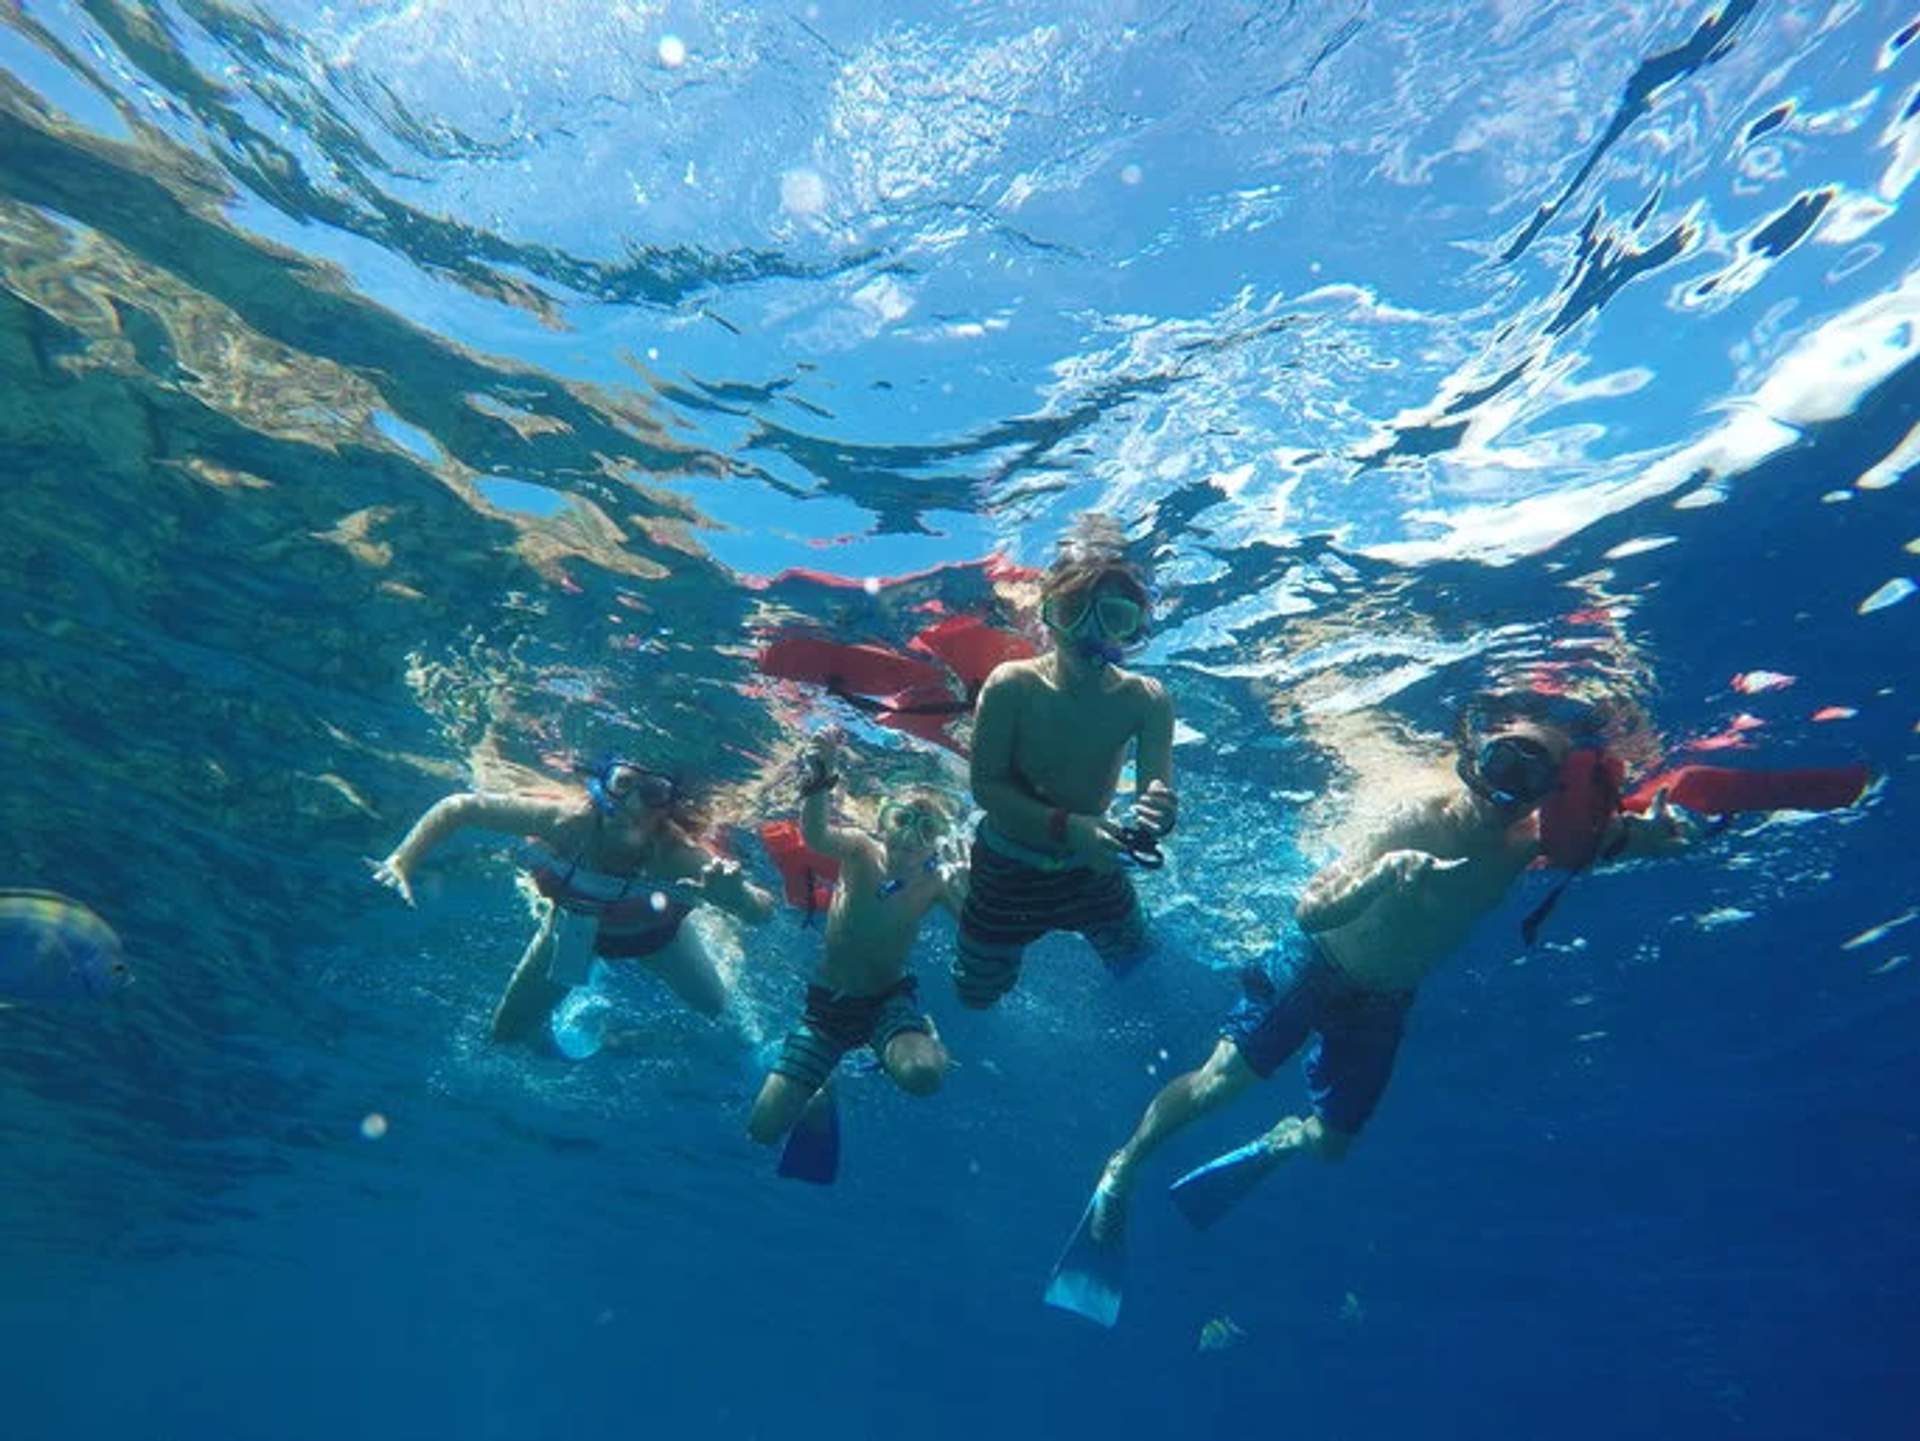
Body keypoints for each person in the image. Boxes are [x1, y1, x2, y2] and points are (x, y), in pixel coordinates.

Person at [1044, 698, 1701, 1325]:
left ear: (1552, 795)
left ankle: (1280, 1140)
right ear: (1474, 757)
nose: (1512, 787)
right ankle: (1124, 1165)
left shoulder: (1530, 843)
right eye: (1506, 761)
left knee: (1331, 1146)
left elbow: (1615, 840)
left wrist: (1660, 837)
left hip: (1384, 1002)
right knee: (1220, 1080)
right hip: (1314, 964)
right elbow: (1310, 908)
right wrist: (1384, 876)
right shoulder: (1414, 816)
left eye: (1536, 777)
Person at [371, 757, 774, 1050]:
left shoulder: (676, 855)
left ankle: (717, 951)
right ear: (604, 786)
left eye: (651, 795)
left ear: (667, 809)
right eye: (624, 783)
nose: (633, 805)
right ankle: (577, 995)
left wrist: (735, 896)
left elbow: (761, 913)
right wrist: (402, 860)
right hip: (573, 931)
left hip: (658, 939)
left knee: (714, 1006)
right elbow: (461, 807)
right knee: (506, 1034)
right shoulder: (564, 822)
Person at [953, 522, 1179, 1010]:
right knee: (976, 993)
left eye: (1112, 618)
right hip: (1008, 865)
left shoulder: (1146, 700)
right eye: (1073, 612)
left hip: (1091, 866)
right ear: (1047, 617)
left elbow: (1156, 794)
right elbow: (988, 789)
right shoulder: (1011, 684)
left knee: (1137, 967)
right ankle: (953, 886)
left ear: (1135, 629)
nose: (1088, 634)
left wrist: (1160, 813)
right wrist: (1069, 826)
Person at [747, 732, 963, 1181]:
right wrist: (821, 772)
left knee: (923, 1077)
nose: (909, 836)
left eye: (928, 829)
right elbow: (816, 833)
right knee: (762, 1129)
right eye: (903, 818)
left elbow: (981, 928)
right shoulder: (862, 852)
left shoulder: (938, 880)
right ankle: (825, 1084)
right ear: (882, 819)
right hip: (827, 1007)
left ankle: (925, 1042)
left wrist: (969, 888)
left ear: (941, 840)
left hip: (889, 1000)